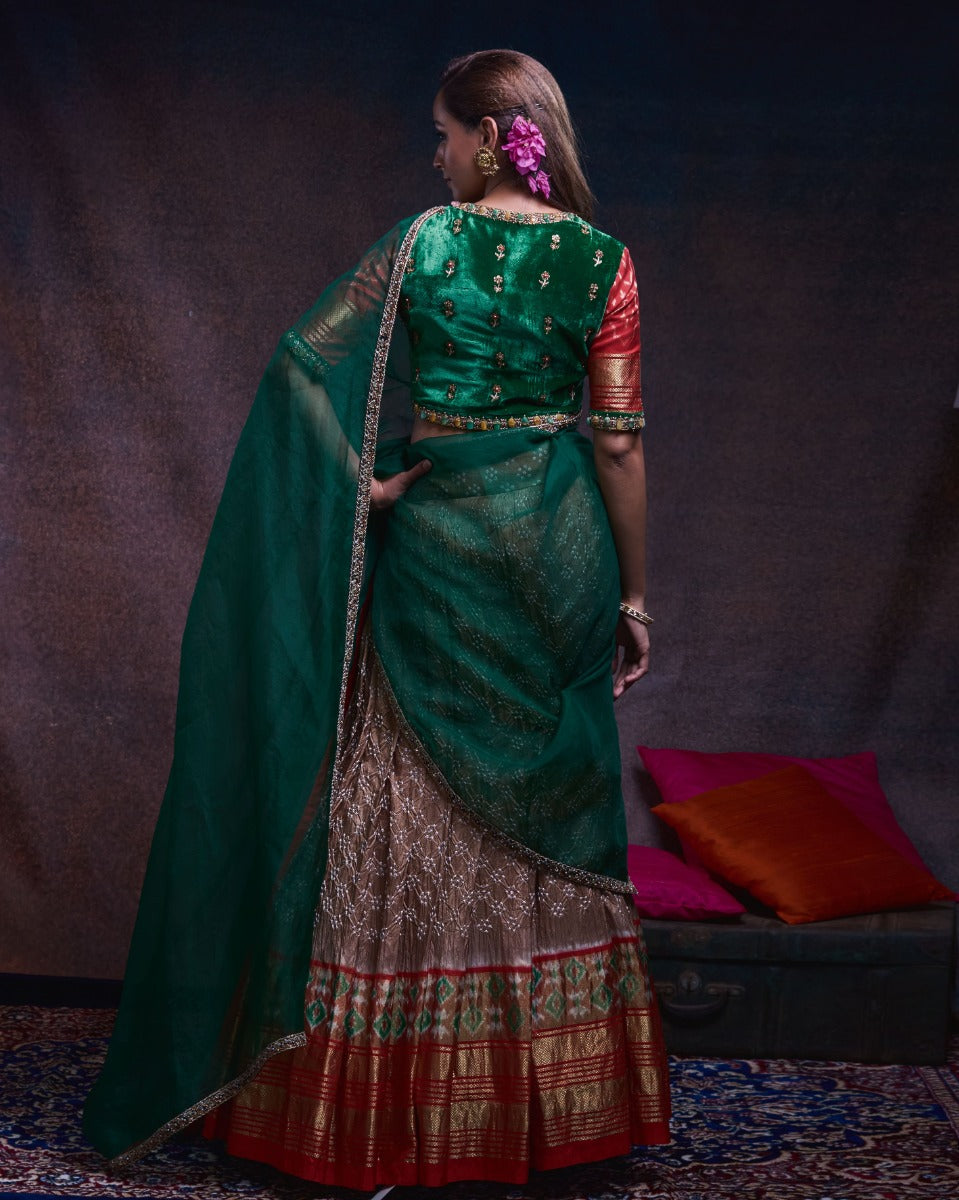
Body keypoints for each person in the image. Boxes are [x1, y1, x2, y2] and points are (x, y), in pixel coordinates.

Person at [83, 48, 671, 1192]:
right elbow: (614, 444)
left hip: (438, 543)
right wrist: (634, 598)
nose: (432, 154)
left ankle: (375, 1113)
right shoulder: (603, 260)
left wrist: (370, 478)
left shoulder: (418, 245)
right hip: (556, 550)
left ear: (489, 137)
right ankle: (539, 1118)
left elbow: (306, 367)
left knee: (397, 784)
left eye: (442, 134)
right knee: (543, 792)